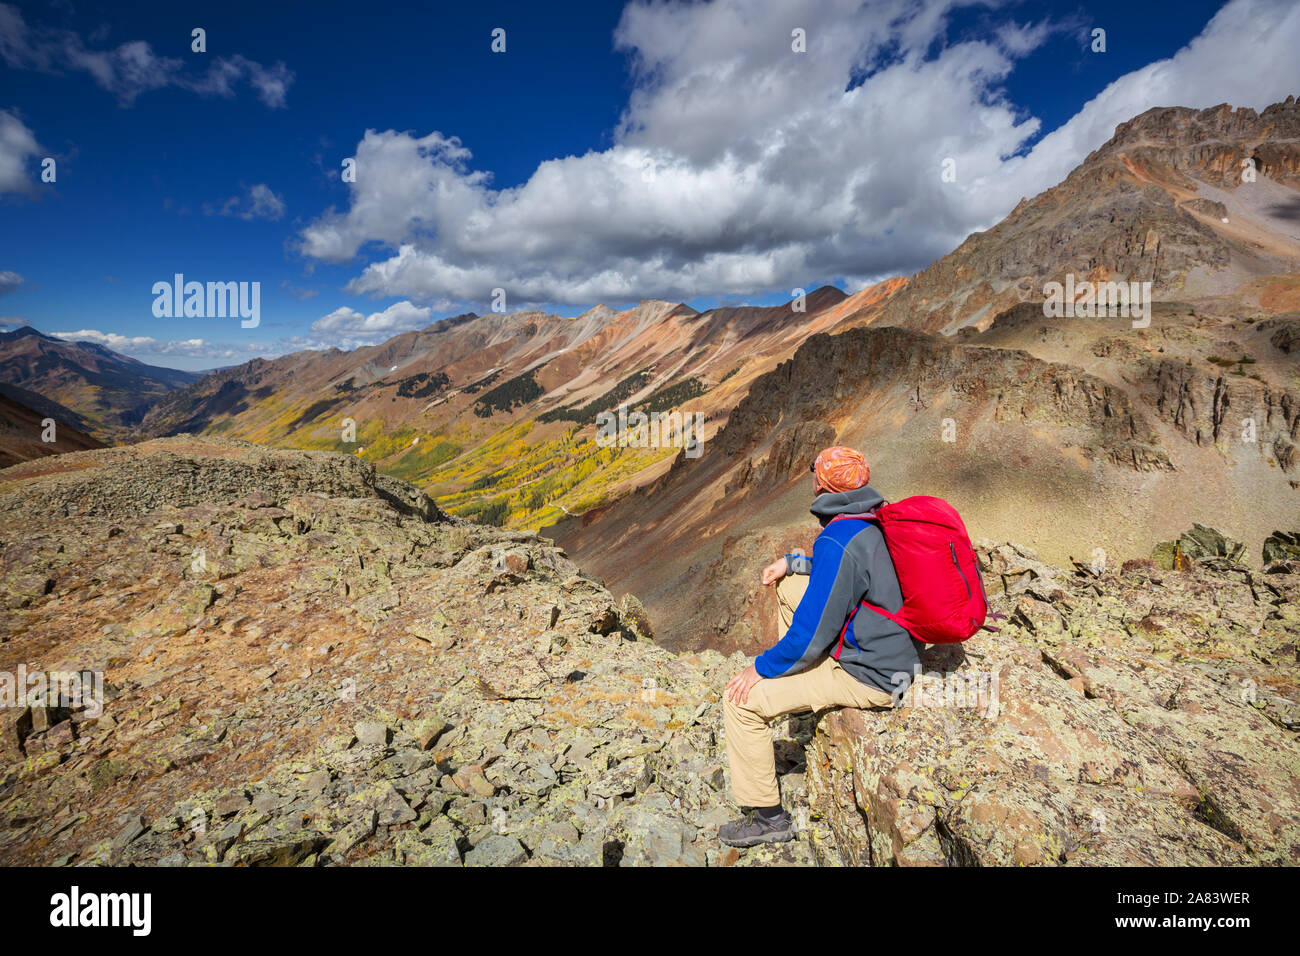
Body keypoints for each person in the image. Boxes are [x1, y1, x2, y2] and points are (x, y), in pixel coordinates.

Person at [717, 445, 921, 848]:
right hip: (894, 651)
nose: (810, 476)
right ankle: (799, 685)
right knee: (792, 586)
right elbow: (849, 567)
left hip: (871, 676)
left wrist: (760, 668)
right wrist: (794, 564)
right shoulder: (874, 516)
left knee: (739, 703)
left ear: (824, 483)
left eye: (815, 470)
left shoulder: (838, 537)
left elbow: (808, 636)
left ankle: (769, 819)